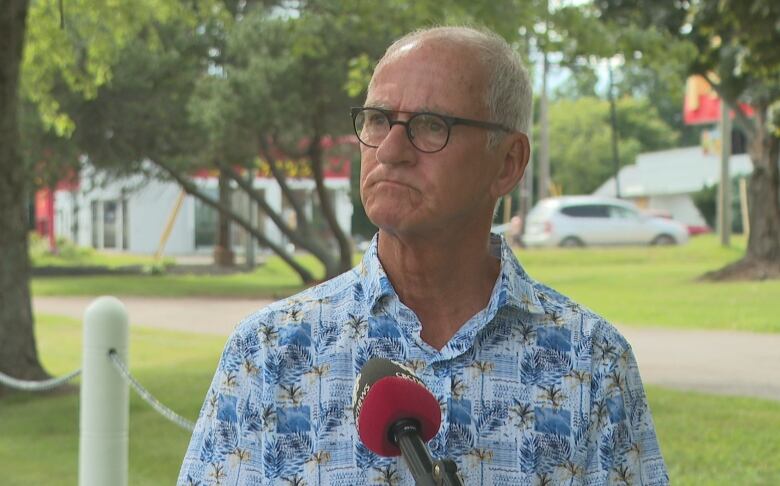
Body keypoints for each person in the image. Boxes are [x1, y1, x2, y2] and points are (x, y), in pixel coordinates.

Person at [178, 26, 668, 485]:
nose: (390, 150)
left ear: (508, 162)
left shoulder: (592, 362)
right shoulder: (269, 351)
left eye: (431, 126)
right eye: (377, 120)